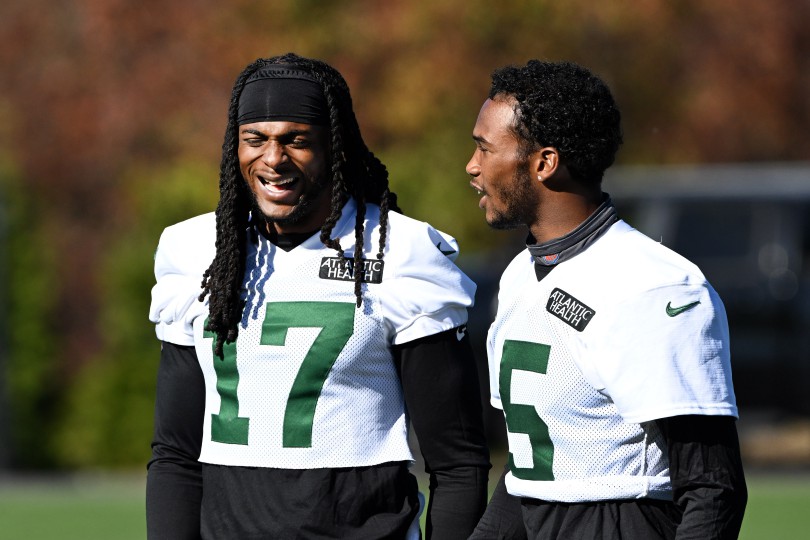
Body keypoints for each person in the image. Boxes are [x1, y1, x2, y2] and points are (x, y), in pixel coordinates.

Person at [146, 53, 490, 539]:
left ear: (334, 148)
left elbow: (458, 463)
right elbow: (175, 455)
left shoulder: (401, 252)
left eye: (296, 140)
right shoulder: (196, 250)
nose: (272, 158)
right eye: (255, 139)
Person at [465, 60, 747, 539]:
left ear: (544, 162)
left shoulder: (654, 285)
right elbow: (531, 474)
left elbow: (713, 489)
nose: (472, 166)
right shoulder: (519, 275)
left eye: (485, 148)